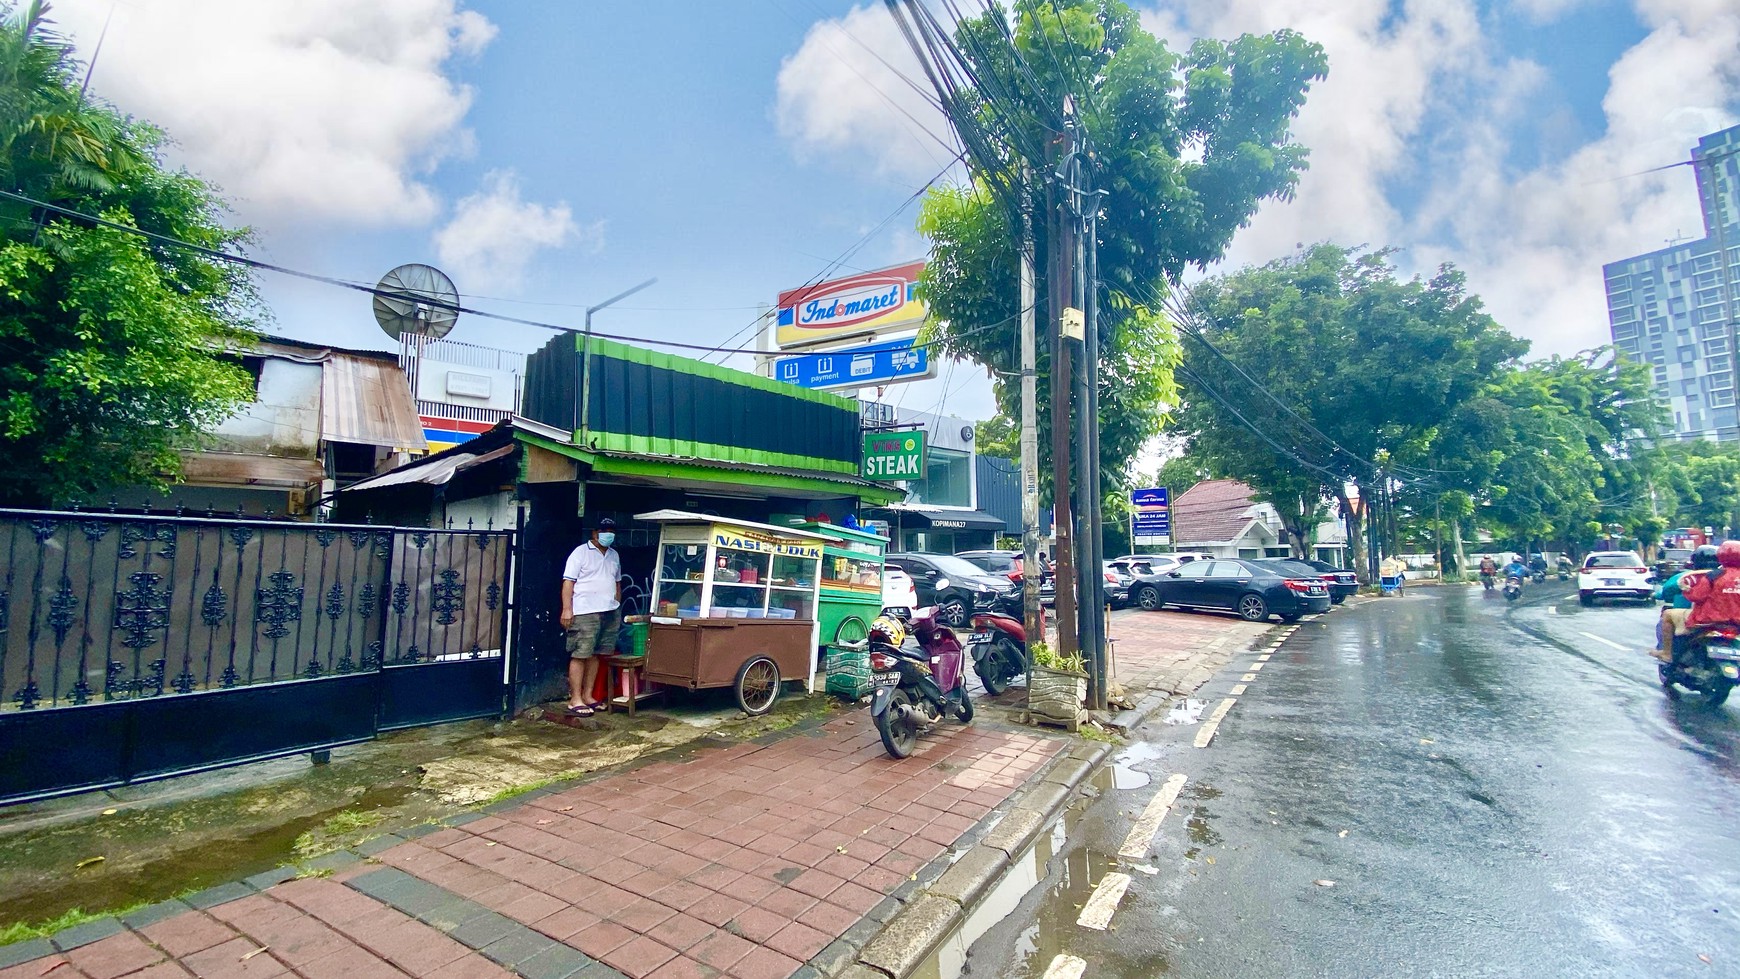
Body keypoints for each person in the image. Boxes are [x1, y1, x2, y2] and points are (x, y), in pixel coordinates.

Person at [561, 518, 622, 716]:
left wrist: (616, 603)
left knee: (596, 654)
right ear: (594, 533)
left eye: (611, 530)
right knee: (581, 654)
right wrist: (567, 609)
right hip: (585, 611)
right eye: (604, 530)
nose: (608, 534)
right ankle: (575, 699)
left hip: (609, 611)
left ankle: (588, 696)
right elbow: (568, 583)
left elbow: (617, 582)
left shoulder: (614, 555)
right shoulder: (580, 553)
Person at [1674, 541, 1740, 662]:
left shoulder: (1714, 576)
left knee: (1681, 632)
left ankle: (1673, 659)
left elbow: (1696, 596)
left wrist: (1686, 590)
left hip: (1709, 622)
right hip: (1737, 625)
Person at [1654, 544, 1716, 662]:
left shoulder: (1687, 577)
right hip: (1730, 619)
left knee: (1667, 614)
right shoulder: (1729, 576)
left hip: (1702, 617)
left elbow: (1669, 591)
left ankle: (1667, 653)